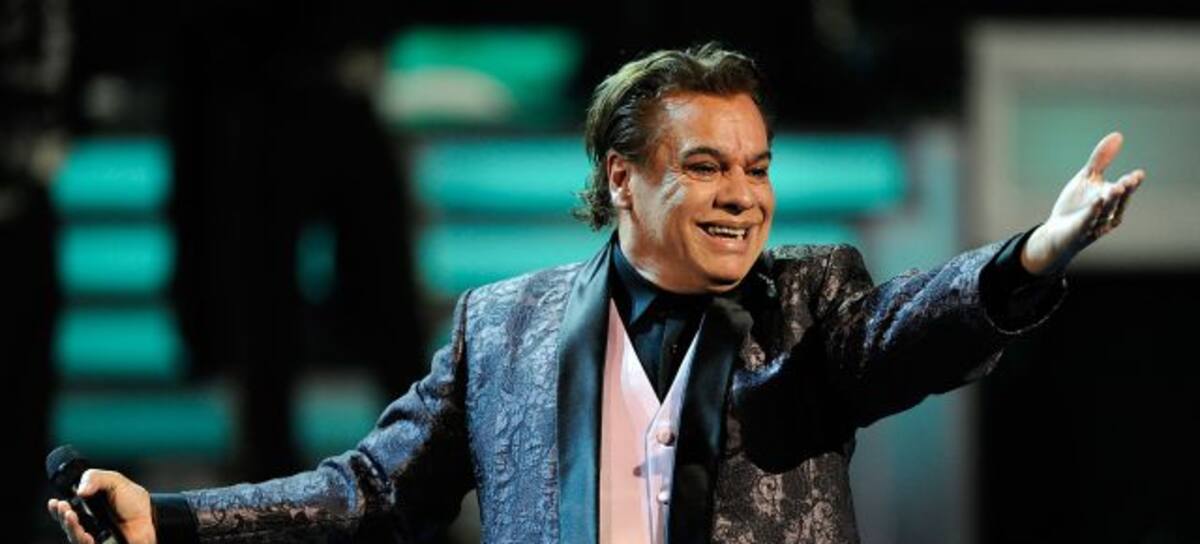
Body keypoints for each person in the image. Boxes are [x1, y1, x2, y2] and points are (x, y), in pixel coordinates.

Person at [48, 43, 1145, 544]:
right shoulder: (503, 327)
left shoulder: (813, 296)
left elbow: (907, 330)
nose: (743, 196)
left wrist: (1032, 255)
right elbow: (371, 490)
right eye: (706, 167)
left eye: (756, 167)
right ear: (623, 177)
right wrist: (175, 518)